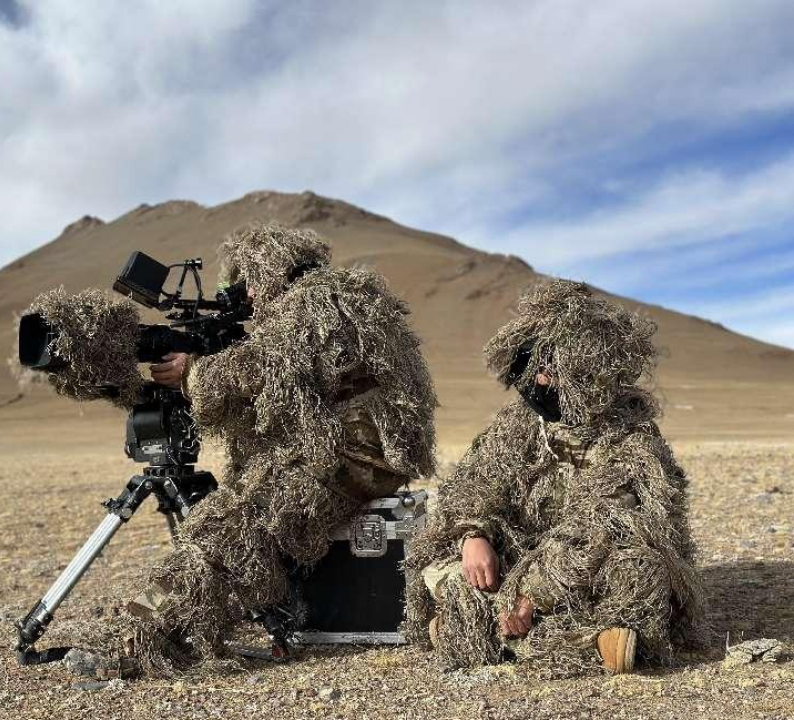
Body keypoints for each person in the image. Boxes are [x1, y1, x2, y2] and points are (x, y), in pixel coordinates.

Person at [121, 222, 438, 676]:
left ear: (272, 269)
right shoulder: (350, 296)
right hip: (365, 452)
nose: (248, 296)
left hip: (349, 457)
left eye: (250, 282)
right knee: (239, 515)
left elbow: (268, 364)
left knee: (228, 529)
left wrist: (194, 373)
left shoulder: (316, 299)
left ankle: (143, 638)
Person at [403, 280, 703, 676]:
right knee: (447, 562)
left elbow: (600, 528)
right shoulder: (517, 426)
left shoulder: (629, 437)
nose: (538, 381)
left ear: (584, 374)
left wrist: (531, 595)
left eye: (549, 370)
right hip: (522, 555)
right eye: (535, 368)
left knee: (638, 570)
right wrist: (473, 535)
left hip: (585, 569)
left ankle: (500, 631)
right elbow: (472, 487)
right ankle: (559, 635)